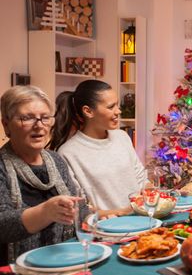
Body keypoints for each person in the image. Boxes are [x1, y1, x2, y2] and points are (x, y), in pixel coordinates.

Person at [0, 86, 81, 265]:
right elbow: (2, 225)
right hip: (17, 272)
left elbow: (76, 208)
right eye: (27, 118)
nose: (39, 126)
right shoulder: (1, 166)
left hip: (65, 261)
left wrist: (97, 216)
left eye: (45, 118)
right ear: (6, 124)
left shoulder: (56, 160)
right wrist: (45, 212)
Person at [50, 80, 146, 214]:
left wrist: (151, 193)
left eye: (117, 105)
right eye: (111, 107)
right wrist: (124, 212)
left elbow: (141, 178)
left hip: (143, 222)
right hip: (107, 229)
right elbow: (79, 208)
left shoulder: (122, 137)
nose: (118, 111)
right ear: (88, 111)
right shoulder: (68, 153)